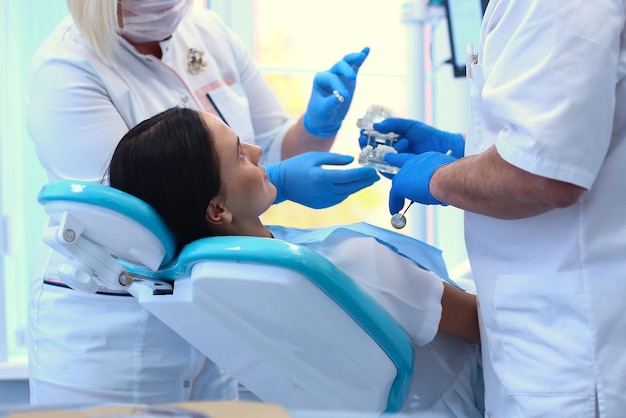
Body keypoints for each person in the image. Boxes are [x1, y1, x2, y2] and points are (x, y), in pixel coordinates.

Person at [26, 0, 378, 406]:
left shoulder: (208, 32)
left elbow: (265, 151)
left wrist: (316, 126)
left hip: (212, 327)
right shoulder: (66, 69)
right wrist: (279, 183)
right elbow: (135, 226)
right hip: (110, 338)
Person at [107, 106, 484, 417]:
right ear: (217, 210)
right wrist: (467, 173)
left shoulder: (223, 288)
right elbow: (483, 323)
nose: (257, 151)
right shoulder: (349, 260)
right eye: (239, 153)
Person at [367, 1, 626, 416]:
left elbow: (546, 175)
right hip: (546, 333)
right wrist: (465, 151)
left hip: (574, 344)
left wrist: (440, 177)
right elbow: (564, 128)